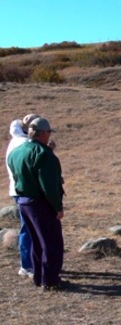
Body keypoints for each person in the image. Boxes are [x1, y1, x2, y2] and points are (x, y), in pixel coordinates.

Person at [7, 117, 67, 291]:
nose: (49, 135)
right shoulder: (43, 154)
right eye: (48, 132)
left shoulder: (16, 151)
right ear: (42, 134)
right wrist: (58, 207)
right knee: (51, 242)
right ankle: (50, 280)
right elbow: (48, 186)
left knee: (36, 241)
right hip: (41, 203)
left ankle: (38, 277)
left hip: (23, 201)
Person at [5, 114, 39, 278]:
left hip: (17, 190)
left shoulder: (14, 141)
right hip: (26, 191)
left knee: (28, 227)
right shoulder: (25, 144)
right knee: (30, 228)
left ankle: (30, 262)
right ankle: (27, 265)